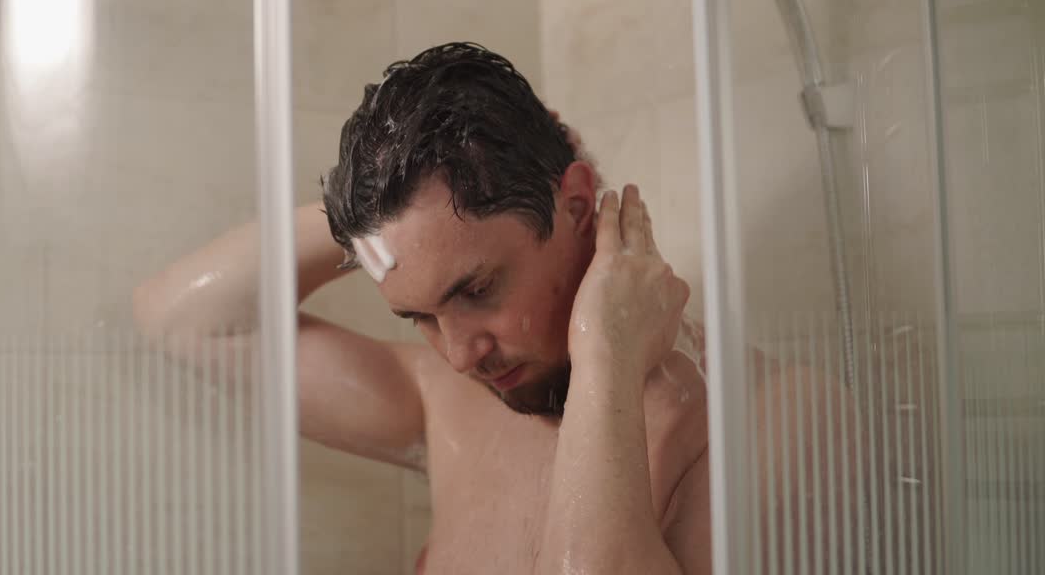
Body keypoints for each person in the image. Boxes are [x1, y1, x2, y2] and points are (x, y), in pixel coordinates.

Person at [133, 42, 851, 574]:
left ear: (574, 206)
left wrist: (604, 356)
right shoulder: (449, 403)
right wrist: (383, 220)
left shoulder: (771, 422)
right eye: (418, 316)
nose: (458, 353)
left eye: (476, 291)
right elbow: (181, 319)